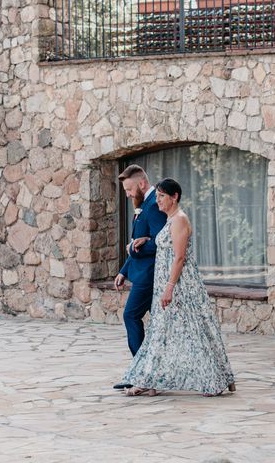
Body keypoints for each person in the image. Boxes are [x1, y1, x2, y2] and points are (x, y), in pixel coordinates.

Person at [120, 177, 236, 397]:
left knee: (196, 332)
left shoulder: (180, 219)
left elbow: (180, 257)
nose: (158, 200)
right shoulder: (169, 220)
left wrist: (170, 287)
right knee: (158, 334)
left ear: (175, 197)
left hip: (182, 287)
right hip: (165, 285)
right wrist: (145, 239)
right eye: (157, 196)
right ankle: (146, 379)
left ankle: (215, 379)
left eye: (162, 196)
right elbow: (165, 244)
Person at [113, 165, 167, 390]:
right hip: (139, 272)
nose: (126, 195)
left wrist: (133, 250)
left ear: (141, 184)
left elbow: (160, 242)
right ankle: (145, 372)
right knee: (143, 321)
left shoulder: (154, 205)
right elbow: (137, 241)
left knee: (130, 316)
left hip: (150, 275)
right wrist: (123, 271)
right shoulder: (143, 204)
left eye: (128, 190)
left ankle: (142, 372)